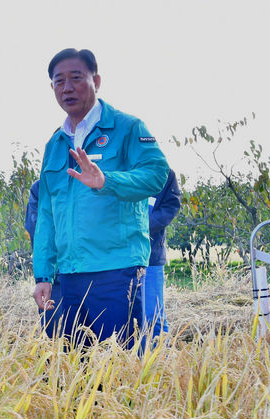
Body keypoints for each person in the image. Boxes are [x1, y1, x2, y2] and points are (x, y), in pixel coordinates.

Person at [32, 48, 169, 347]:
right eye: (59, 81)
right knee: (68, 368)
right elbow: (46, 214)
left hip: (115, 270)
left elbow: (157, 173)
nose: (67, 88)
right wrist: (43, 275)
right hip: (65, 277)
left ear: (96, 80)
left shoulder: (128, 128)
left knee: (114, 367)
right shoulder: (55, 144)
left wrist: (108, 180)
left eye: (76, 78)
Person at [146, 169, 181, 338]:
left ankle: (161, 358)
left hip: (151, 256)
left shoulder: (164, 173)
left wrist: (141, 226)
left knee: (153, 315)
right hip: (116, 256)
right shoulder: (116, 166)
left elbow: (171, 205)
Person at [25, 180, 62, 330]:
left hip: (101, 271)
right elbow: (37, 230)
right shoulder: (41, 187)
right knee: (58, 336)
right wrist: (44, 277)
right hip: (56, 274)